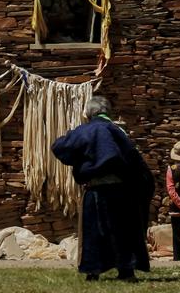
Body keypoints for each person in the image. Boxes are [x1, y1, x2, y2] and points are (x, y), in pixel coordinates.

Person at [51, 95, 154, 283]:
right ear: (108, 112)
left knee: (93, 233)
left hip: (94, 190)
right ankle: (126, 271)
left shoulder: (83, 131)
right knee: (122, 231)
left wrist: (79, 152)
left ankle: (93, 272)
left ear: (88, 114)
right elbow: (134, 160)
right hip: (121, 191)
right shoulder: (118, 131)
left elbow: (60, 146)